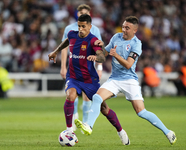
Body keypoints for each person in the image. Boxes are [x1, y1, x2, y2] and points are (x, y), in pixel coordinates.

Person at [75, 16, 177, 145]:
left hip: (130, 80)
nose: (124, 30)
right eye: (123, 26)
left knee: (141, 112)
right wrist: (95, 56)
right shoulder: (116, 37)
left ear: (134, 30)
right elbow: (104, 54)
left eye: (127, 28)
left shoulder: (136, 43)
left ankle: (168, 132)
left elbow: (129, 65)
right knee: (97, 98)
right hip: (115, 79)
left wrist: (116, 55)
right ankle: (89, 126)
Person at [48, 14, 130, 145]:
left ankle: (120, 131)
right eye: (79, 26)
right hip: (73, 77)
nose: (80, 29)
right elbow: (67, 41)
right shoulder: (71, 34)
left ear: (90, 27)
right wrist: (56, 52)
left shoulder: (93, 40)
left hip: (89, 80)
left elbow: (102, 56)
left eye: (83, 26)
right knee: (70, 95)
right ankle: (69, 131)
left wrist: (96, 58)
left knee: (104, 108)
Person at [60, 4, 103, 130]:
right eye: (80, 12)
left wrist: (99, 68)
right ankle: (74, 119)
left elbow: (98, 50)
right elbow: (64, 48)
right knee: (72, 93)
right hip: (74, 65)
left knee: (87, 96)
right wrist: (63, 66)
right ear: (77, 14)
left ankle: (85, 121)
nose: (82, 14)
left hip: (88, 67)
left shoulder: (94, 29)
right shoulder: (70, 29)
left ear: (90, 14)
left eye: (85, 12)